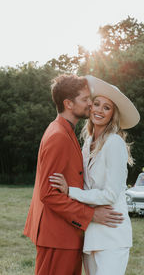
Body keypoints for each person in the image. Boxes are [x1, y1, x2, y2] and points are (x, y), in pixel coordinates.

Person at [23, 74, 124, 275]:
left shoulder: (65, 132)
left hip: (66, 235)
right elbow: (49, 194)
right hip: (56, 236)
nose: (90, 105)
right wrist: (91, 215)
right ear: (69, 103)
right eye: (85, 100)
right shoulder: (59, 136)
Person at [49, 75, 140, 275]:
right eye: (96, 103)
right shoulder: (88, 141)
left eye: (106, 108)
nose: (99, 110)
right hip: (91, 233)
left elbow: (110, 195)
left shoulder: (114, 143)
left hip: (112, 233)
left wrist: (70, 191)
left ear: (112, 115)